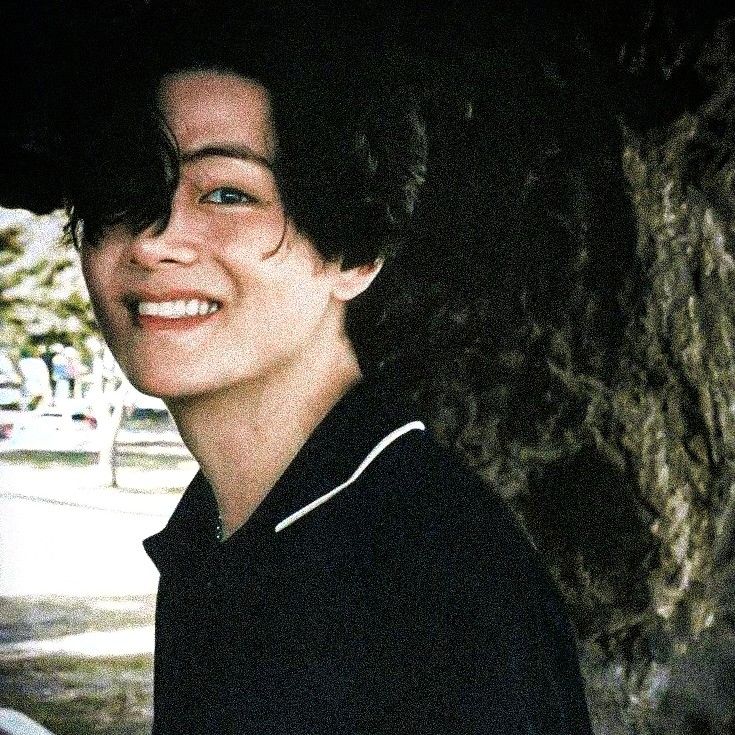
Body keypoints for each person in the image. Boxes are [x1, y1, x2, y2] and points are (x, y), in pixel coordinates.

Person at [63, 6, 593, 733]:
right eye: (127, 190)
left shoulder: (433, 577)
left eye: (226, 193)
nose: (155, 240)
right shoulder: (216, 529)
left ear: (354, 253)